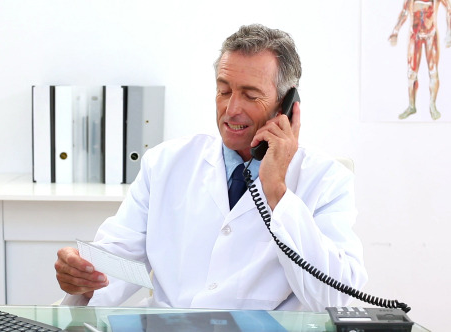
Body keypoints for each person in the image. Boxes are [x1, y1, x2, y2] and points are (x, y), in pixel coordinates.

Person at [55, 23, 368, 311]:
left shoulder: (326, 180)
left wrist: (277, 192)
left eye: (250, 95)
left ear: (286, 105)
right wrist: (84, 276)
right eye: (224, 90)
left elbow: (338, 298)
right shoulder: (165, 164)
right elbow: (117, 259)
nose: (231, 110)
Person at [388, 0, 451, 120]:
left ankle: (432, 105)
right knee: (411, 73)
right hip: (414, 35)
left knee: (433, 72)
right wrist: (395, 31)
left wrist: (449, 32)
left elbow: (449, 8)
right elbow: (405, 12)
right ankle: (412, 106)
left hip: (430, 36)